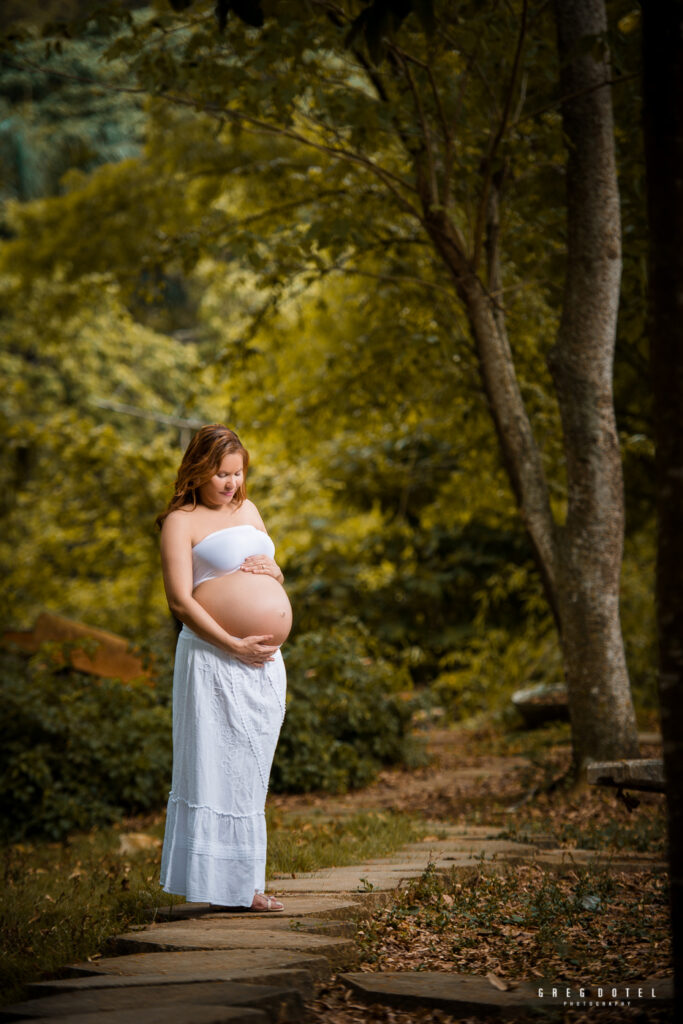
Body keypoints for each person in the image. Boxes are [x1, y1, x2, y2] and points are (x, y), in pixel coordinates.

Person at [157, 424, 292, 911]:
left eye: (237, 473)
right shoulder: (181, 520)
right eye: (221, 474)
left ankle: (245, 884)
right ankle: (224, 886)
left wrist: (277, 573)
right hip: (213, 656)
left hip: (262, 663)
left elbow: (267, 569)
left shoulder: (249, 510)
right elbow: (180, 600)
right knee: (217, 767)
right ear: (198, 470)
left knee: (251, 771)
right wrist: (233, 642)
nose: (231, 483)